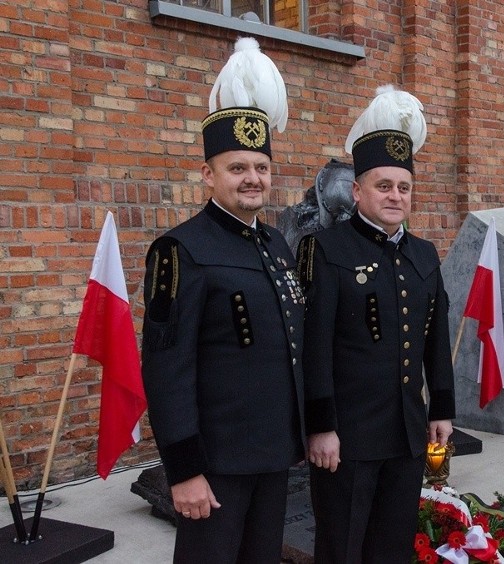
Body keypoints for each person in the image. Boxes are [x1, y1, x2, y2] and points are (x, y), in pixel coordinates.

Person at [141, 38, 304, 563]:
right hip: (214, 465)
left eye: (260, 167)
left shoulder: (277, 243)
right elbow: (166, 370)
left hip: (273, 455)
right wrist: (183, 470)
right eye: (237, 168)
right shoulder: (179, 249)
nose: (252, 178)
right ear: (209, 175)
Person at [297, 87, 455, 563]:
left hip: (406, 433)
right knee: (342, 550)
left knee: (391, 548)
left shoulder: (424, 253)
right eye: (383, 186)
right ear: (357, 191)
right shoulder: (327, 250)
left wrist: (440, 409)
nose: (394, 195)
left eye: (403, 187)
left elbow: (436, 335)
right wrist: (321, 427)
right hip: (347, 438)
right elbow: (315, 345)